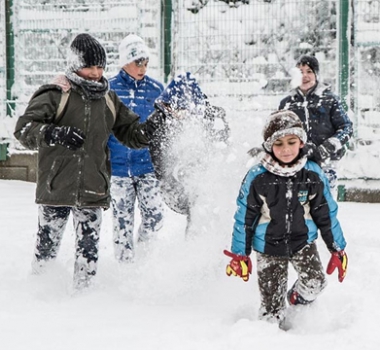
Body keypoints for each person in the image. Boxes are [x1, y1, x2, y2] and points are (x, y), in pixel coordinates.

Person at [13, 33, 163, 289]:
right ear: (74, 65)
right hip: (56, 186)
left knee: (88, 253)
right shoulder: (55, 94)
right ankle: (38, 295)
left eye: (100, 66)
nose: (95, 72)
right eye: (89, 66)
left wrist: (152, 126)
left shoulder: (107, 98)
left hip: (93, 187)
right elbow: (24, 130)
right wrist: (53, 133)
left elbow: (131, 133)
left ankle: (84, 301)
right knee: (46, 248)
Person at [224, 110, 348, 328]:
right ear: (269, 146)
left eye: (291, 142)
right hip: (268, 246)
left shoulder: (312, 173)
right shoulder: (258, 176)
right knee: (272, 312)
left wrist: (337, 247)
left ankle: (295, 300)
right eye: (278, 144)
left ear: (301, 142)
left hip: (303, 242)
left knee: (315, 283)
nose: (286, 149)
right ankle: (269, 336)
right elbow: (244, 217)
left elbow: (326, 213)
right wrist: (240, 254)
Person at [148, 72, 229, 235]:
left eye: (185, 109)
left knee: (201, 202)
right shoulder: (158, 121)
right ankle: (195, 238)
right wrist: (171, 175)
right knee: (195, 200)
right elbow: (157, 157)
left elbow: (222, 147)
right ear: (167, 105)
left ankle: (202, 238)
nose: (181, 114)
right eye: (176, 108)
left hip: (202, 177)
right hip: (173, 183)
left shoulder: (211, 118)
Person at [107, 34, 165, 262]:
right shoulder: (109, 90)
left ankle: (144, 257)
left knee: (155, 216)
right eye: (137, 62)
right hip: (119, 169)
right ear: (124, 62)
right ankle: (125, 268)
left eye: (146, 62)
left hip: (147, 167)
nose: (143, 67)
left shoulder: (156, 89)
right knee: (122, 222)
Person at [278, 55, 353, 195]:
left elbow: (346, 127)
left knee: (324, 203)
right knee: (299, 205)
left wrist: (330, 145)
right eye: (301, 72)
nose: (305, 76)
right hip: (298, 161)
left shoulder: (329, 99)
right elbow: (279, 132)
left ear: (316, 75)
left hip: (327, 161)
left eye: (309, 71)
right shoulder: (287, 103)